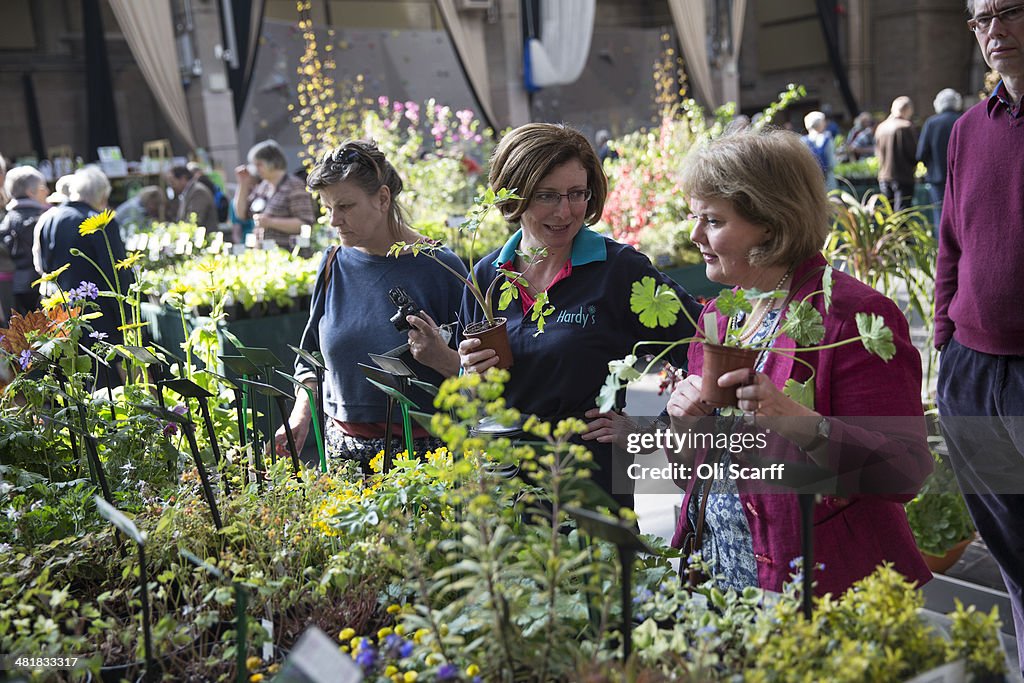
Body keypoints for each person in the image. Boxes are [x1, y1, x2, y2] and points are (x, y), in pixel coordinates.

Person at [665, 128, 932, 596]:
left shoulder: (851, 317)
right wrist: (683, 424)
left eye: (712, 220)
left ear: (769, 222)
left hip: (815, 585)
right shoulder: (719, 315)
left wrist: (797, 421)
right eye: (694, 217)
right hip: (714, 576)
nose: (694, 236)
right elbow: (689, 472)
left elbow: (906, 471)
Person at [455, 123, 701, 510]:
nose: (565, 211)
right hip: (505, 489)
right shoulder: (485, 276)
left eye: (576, 194)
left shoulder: (618, 270)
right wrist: (469, 376)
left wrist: (648, 429)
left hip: (591, 490)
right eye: (546, 196)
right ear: (513, 196)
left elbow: (700, 344)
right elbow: (469, 396)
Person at [275, 140, 467, 467]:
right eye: (327, 208)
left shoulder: (441, 267)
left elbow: (483, 376)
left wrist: (443, 358)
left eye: (345, 207)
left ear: (382, 198)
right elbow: (311, 357)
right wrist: (301, 415)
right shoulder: (333, 262)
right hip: (342, 452)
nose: (334, 220)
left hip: (421, 458)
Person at [936, 1, 1024, 674]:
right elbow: (950, 242)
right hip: (972, 371)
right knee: (1012, 553)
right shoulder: (968, 129)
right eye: (981, 18)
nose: (995, 31)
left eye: (1010, 11)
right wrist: (943, 336)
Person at [33, 166, 134, 352]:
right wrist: (127, 315)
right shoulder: (101, 222)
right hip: (100, 315)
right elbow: (116, 272)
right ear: (102, 196)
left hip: (62, 313)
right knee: (108, 374)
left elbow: (43, 266)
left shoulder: (49, 219)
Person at [233, 140, 316, 247]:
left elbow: (305, 224)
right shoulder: (263, 187)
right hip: (264, 254)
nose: (255, 169)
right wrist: (243, 184)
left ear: (272, 162)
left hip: (289, 254)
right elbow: (241, 214)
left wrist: (271, 222)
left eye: (259, 164)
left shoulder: (294, 185)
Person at [0, 166, 47, 317]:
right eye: (42, 187)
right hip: (40, 284)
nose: (46, 191)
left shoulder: (6, 219)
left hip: (13, 286)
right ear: (30, 192)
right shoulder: (43, 217)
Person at [916, 88, 963, 230]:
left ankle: (942, 249)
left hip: (937, 179)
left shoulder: (931, 123)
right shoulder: (963, 120)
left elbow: (920, 154)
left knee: (940, 217)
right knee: (961, 215)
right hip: (961, 177)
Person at [875, 96, 919, 211]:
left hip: (884, 176)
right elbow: (914, 153)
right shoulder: (905, 126)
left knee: (888, 214)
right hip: (903, 176)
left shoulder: (881, 127)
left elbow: (877, 152)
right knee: (902, 214)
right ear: (907, 110)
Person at [166, 164, 218, 229]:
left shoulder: (198, 192)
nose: (171, 186)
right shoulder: (188, 192)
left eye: (172, 182)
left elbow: (194, 220)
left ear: (183, 178)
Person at [801, 111, 837, 191]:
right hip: (828, 179)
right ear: (821, 124)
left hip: (809, 180)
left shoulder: (802, 141)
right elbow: (831, 163)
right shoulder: (827, 139)